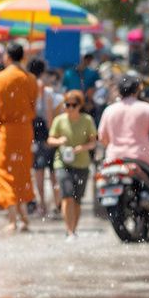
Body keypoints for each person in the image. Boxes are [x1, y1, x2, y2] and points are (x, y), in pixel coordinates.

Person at [0, 42, 39, 233]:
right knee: (22, 171)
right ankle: (24, 216)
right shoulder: (31, 78)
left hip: (6, 130)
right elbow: (34, 105)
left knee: (2, 171)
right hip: (25, 129)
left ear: (7, 57)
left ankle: (12, 218)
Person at [48, 90, 99, 240]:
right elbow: (50, 140)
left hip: (82, 163)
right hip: (62, 162)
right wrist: (59, 141)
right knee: (67, 196)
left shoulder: (87, 120)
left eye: (73, 105)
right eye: (67, 104)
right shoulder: (59, 120)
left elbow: (93, 142)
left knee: (77, 199)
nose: (70, 108)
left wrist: (81, 148)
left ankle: (74, 229)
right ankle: (68, 230)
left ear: (80, 105)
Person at [99, 75, 149, 178]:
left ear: (119, 90)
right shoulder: (146, 108)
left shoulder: (109, 110)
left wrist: (116, 146)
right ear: (137, 90)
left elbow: (102, 138)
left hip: (114, 158)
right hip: (143, 157)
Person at [28, 58, 59, 215]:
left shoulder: (28, 87)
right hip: (46, 135)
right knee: (53, 172)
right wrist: (51, 135)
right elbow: (49, 115)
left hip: (33, 135)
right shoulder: (46, 91)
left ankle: (41, 204)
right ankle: (56, 203)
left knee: (38, 171)